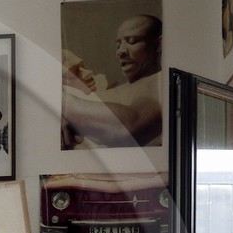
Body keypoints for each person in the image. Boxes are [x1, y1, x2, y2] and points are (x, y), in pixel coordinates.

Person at [61, 14, 163, 149]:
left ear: (158, 45)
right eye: (118, 45)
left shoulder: (160, 81)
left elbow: (126, 128)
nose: (120, 51)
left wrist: (58, 103)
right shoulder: (117, 90)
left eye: (132, 41)